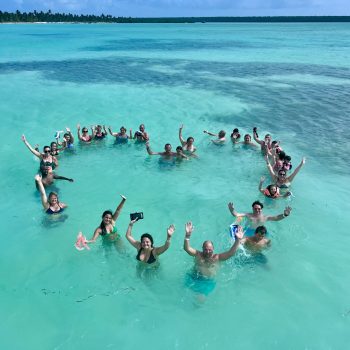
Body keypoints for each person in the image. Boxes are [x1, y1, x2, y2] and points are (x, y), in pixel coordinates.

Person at [183, 221, 243, 297]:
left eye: (210, 250)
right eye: (206, 249)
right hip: (193, 277)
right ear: (202, 249)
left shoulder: (217, 258)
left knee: (200, 301)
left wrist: (238, 240)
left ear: (213, 249)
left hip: (207, 282)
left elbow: (231, 253)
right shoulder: (198, 254)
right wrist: (187, 236)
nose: (208, 252)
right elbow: (186, 248)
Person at [228, 200, 292, 233]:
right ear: (252, 208)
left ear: (261, 209)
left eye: (259, 209)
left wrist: (285, 215)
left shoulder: (265, 217)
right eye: (255, 208)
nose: (257, 210)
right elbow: (236, 215)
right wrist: (232, 210)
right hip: (249, 231)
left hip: (260, 232)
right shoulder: (248, 215)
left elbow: (276, 218)